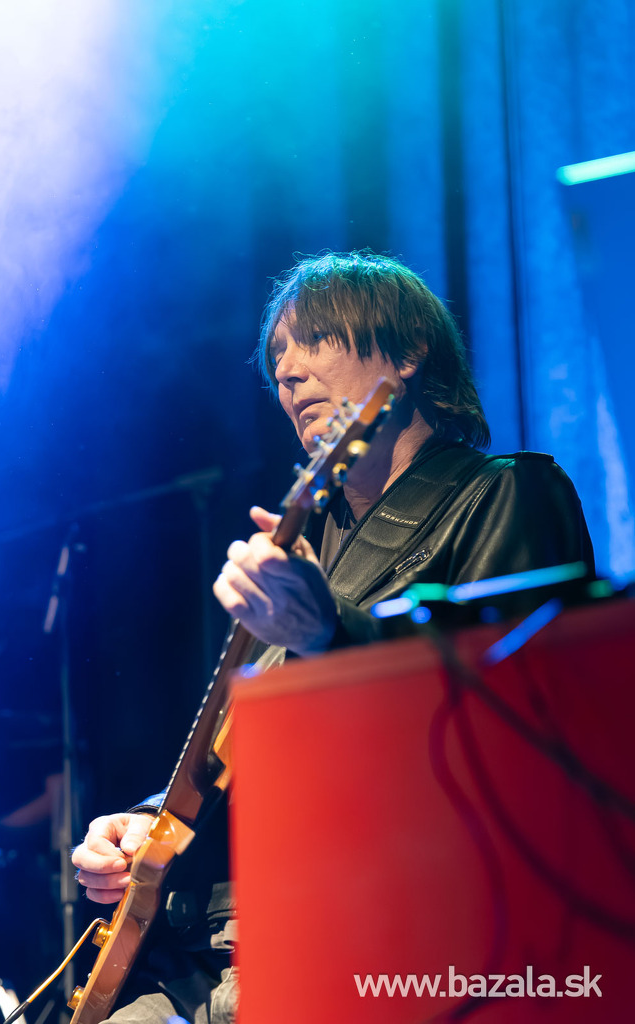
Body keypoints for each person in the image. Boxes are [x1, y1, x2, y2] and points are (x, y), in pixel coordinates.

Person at [72, 252, 594, 1023]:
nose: (288, 373)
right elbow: (243, 752)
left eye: (314, 339)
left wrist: (332, 636)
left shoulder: (506, 494)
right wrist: (149, 823)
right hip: (209, 947)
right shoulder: (303, 549)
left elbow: (510, 740)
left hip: (375, 939)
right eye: (278, 359)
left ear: (408, 352)